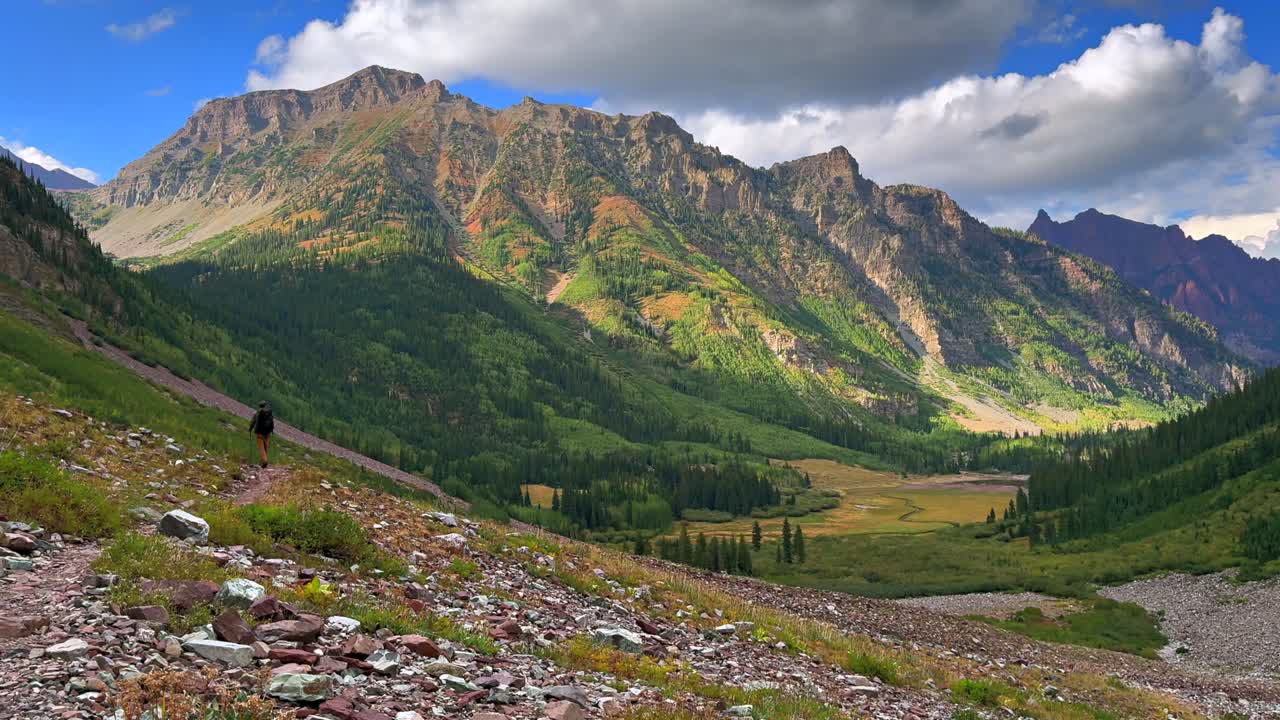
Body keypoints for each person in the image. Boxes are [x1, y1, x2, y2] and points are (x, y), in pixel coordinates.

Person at [248, 401, 274, 468]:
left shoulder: (257, 413)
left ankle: (264, 461)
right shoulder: (269, 413)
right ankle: (263, 462)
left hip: (259, 433)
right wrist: (271, 431)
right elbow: (272, 422)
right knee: (266, 448)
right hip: (267, 433)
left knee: (261, 448)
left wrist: (250, 429)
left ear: (259, 406)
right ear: (265, 405)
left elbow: (253, 422)